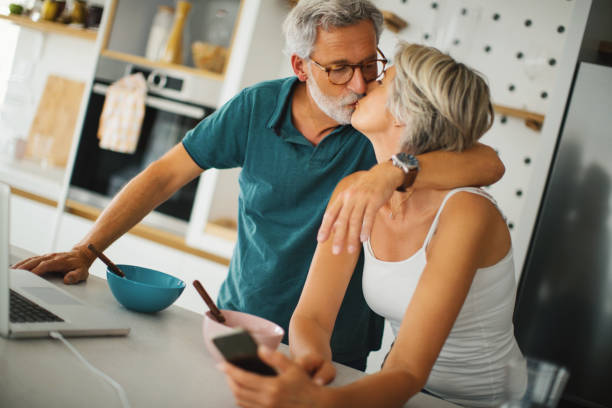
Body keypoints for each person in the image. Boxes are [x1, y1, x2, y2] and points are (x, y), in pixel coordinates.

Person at [13, 0, 504, 372]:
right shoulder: (255, 108)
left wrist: (392, 170)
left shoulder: (379, 131)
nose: (358, 84)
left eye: (369, 66)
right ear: (300, 67)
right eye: (338, 70)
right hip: (237, 318)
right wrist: (86, 249)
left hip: (338, 344)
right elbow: (164, 175)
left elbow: (486, 162)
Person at [219, 42, 525, 408]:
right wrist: (309, 367)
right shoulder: (356, 190)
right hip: (400, 388)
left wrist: (318, 403)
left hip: (484, 401)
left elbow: (411, 371)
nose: (364, 85)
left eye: (381, 82)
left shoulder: (465, 212)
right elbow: (313, 316)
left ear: (404, 113)